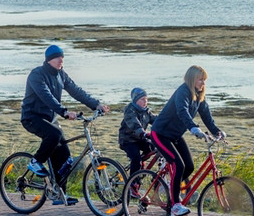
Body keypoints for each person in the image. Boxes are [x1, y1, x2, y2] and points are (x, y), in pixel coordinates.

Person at [21, 44, 110, 205]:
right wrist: (64, 111)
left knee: (65, 157)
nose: (61, 60)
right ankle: (35, 162)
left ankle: (60, 194)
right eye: (57, 57)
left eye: (62, 57)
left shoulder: (61, 74)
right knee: (53, 135)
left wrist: (96, 105)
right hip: (32, 117)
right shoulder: (37, 75)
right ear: (49, 60)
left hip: (50, 119)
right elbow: (46, 96)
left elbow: (76, 91)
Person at [150, 65, 225, 216]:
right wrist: (193, 128)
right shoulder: (183, 91)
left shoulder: (199, 96)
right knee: (178, 164)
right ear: (192, 79)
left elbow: (206, 116)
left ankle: (170, 188)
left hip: (175, 136)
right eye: (200, 79)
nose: (203, 83)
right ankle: (175, 205)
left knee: (189, 167)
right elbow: (182, 111)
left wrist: (217, 131)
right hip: (160, 133)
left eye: (204, 80)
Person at [118, 87, 157, 198]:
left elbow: (155, 120)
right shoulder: (129, 110)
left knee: (153, 147)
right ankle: (132, 185)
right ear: (135, 100)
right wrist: (143, 132)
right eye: (142, 99)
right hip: (128, 140)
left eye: (146, 99)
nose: (145, 101)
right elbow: (134, 124)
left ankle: (140, 165)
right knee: (136, 158)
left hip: (140, 139)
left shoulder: (146, 111)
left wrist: (166, 122)